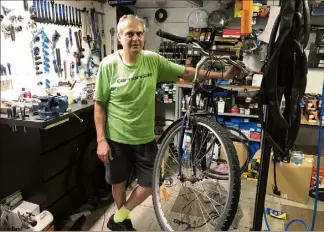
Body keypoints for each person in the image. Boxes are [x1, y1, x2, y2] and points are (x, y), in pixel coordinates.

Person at [94, 14, 242, 231]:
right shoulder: (108, 66)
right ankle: (122, 219)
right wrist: (101, 140)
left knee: (151, 182)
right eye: (129, 34)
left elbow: (188, 72)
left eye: (139, 33)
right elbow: (99, 106)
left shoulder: (152, 60)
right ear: (119, 37)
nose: (135, 38)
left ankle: (118, 217)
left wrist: (223, 74)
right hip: (116, 138)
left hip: (144, 138)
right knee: (119, 183)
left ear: (144, 36)